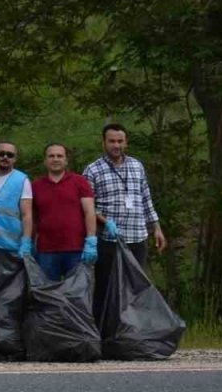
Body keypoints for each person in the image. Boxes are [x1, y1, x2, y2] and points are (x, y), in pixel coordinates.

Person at [83, 124, 166, 318]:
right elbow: (88, 207)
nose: (116, 145)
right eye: (111, 141)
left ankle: (132, 335)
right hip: (109, 240)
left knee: (136, 288)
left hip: (137, 237)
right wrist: (105, 222)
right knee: (106, 288)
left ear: (126, 142)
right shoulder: (92, 170)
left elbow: (146, 198)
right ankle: (103, 335)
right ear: (103, 142)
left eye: (120, 141)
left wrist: (157, 228)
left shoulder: (137, 166)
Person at [32, 143, 98, 281]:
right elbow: (31, 217)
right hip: (46, 250)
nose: (55, 159)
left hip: (76, 249)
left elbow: (89, 212)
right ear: (45, 160)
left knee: (76, 296)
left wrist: (91, 240)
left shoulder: (80, 182)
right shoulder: (35, 186)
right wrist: (29, 242)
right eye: (51, 156)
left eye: (59, 156)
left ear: (66, 160)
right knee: (49, 295)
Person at [0, 141, 34, 260]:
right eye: (1, 153)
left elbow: (27, 214)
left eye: (10, 155)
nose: (5, 157)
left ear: (15, 159)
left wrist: (26, 241)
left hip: (11, 247)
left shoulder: (22, 180)